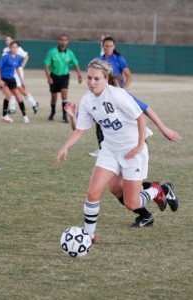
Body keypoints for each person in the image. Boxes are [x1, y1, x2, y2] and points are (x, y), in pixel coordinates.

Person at [55, 59, 178, 242]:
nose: (91, 82)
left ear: (106, 79)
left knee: (132, 203)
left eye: (96, 78)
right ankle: (89, 236)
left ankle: (158, 190)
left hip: (132, 150)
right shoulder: (88, 100)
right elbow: (80, 129)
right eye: (89, 78)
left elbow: (141, 118)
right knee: (94, 192)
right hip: (110, 149)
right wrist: (65, 145)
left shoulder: (118, 95)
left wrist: (138, 146)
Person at [89, 36, 132, 157]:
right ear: (103, 46)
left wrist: (123, 91)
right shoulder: (98, 60)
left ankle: (126, 145)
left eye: (111, 46)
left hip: (117, 95)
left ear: (114, 47)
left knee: (121, 119)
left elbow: (129, 76)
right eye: (106, 46)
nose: (109, 48)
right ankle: (102, 148)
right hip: (103, 95)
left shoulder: (119, 59)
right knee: (100, 120)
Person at [44, 33, 83, 122]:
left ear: (67, 41)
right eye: (62, 39)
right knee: (54, 97)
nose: (63, 41)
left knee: (64, 94)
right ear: (59, 40)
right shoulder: (52, 52)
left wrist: (79, 76)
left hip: (64, 76)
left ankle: (64, 116)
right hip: (54, 76)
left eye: (65, 40)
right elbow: (46, 65)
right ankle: (53, 112)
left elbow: (76, 64)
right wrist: (48, 77)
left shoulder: (70, 53)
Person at [2, 36, 39, 114]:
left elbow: (26, 56)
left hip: (17, 72)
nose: (7, 41)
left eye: (9, 39)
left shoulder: (18, 49)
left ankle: (34, 104)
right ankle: (12, 108)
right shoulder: (5, 50)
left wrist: (22, 65)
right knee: (11, 89)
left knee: (20, 89)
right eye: (6, 40)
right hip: (9, 73)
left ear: (12, 40)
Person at [0, 40, 30, 123]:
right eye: (13, 47)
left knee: (19, 97)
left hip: (11, 79)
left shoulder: (18, 58)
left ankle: (25, 116)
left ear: (18, 48)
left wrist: (21, 81)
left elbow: (18, 69)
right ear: (10, 48)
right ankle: (4, 115)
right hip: (3, 79)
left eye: (16, 47)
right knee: (9, 95)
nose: (14, 49)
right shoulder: (6, 57)